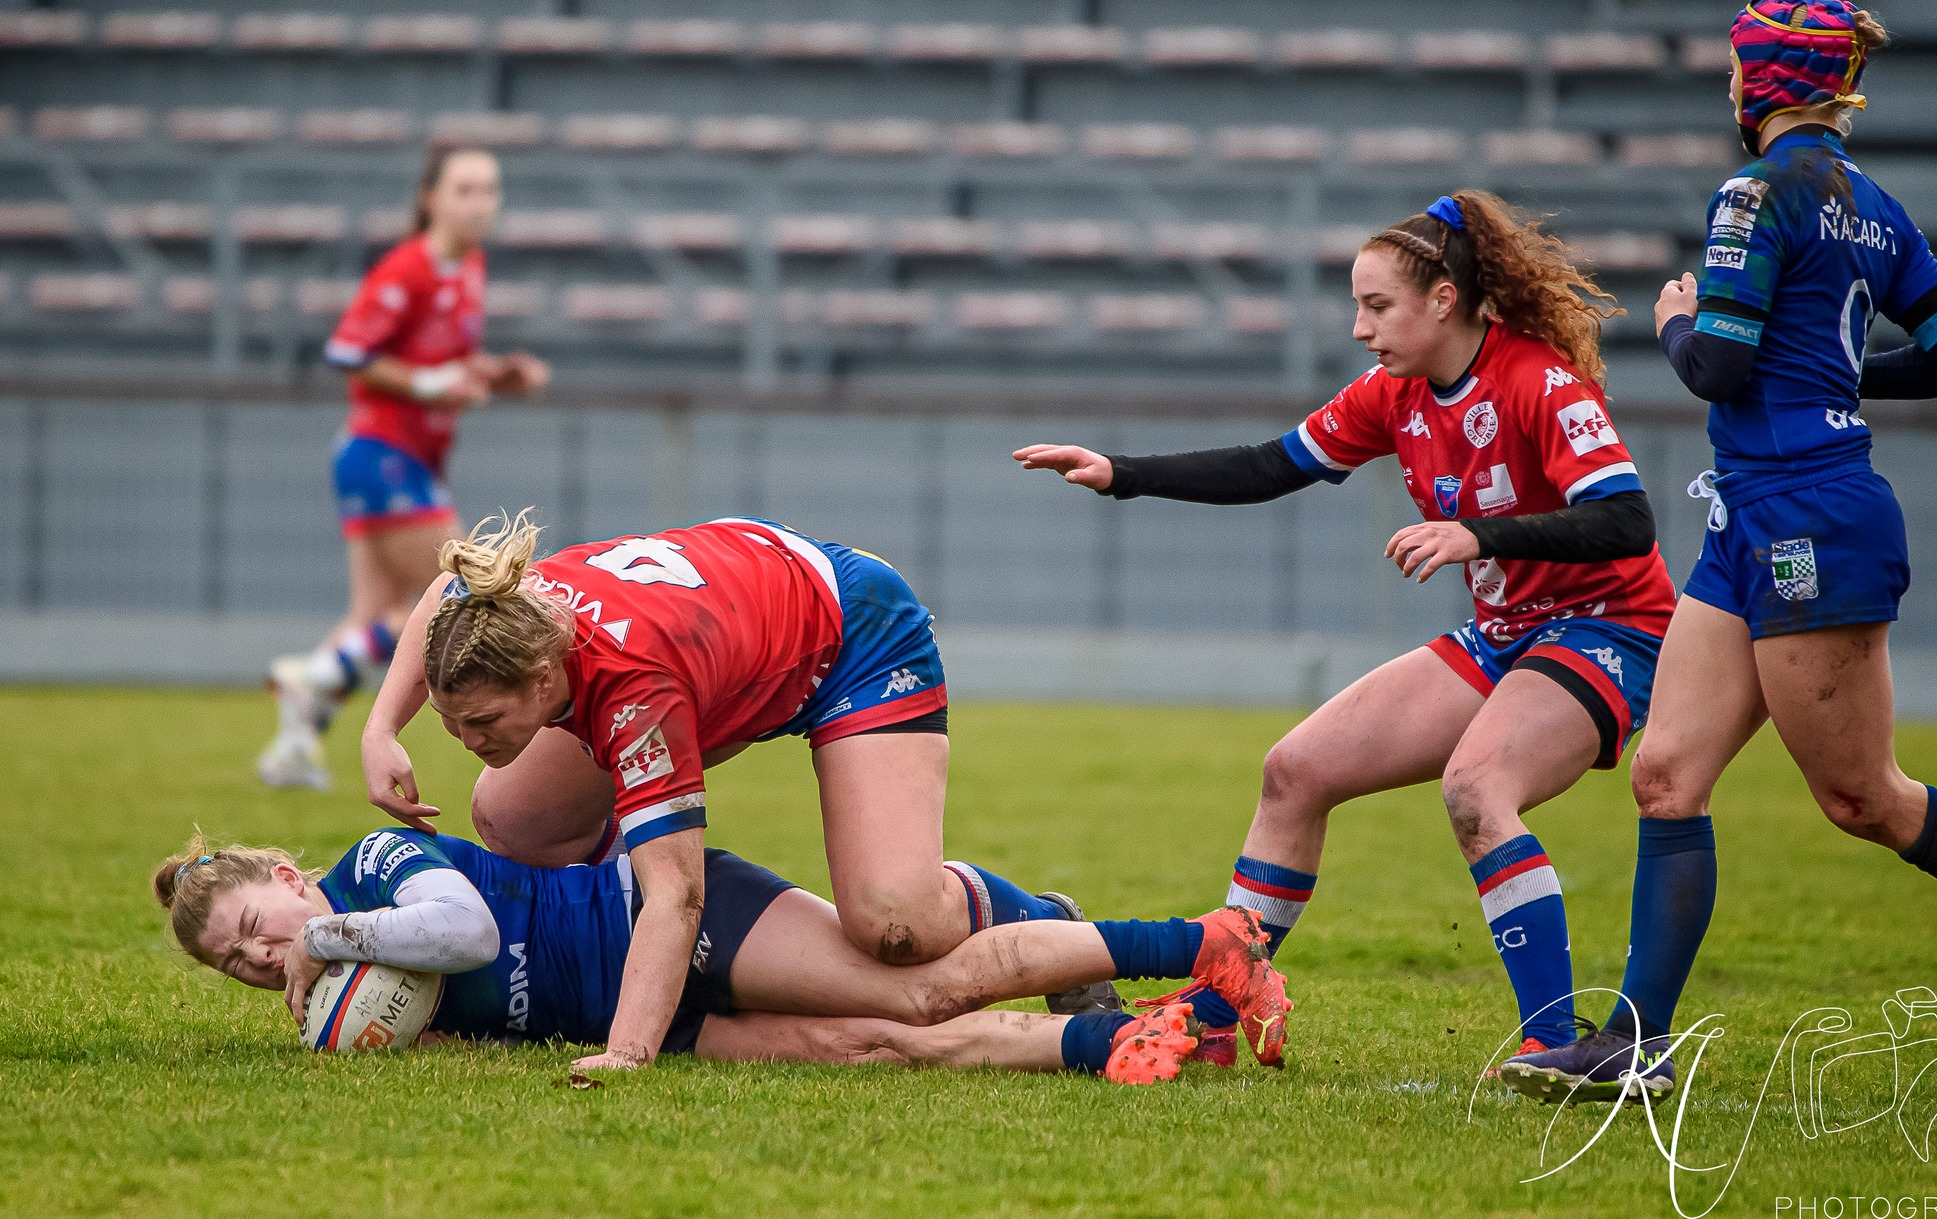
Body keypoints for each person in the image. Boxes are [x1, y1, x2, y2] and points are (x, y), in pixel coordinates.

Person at [1499, 0, 1937, 1105]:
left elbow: (1718, 367)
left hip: (1804, 516)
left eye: (1736, 69)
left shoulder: (1752, 194)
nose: (1730, 88)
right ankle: (1633, 1044)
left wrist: (1667, 321)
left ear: (1760, 82)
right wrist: (1843, 379)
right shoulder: (1872, 204)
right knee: (1664, 773)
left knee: (1865, 799)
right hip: (1754, 511)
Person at [1014, 190, 1675, 1068]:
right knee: (1297, 769)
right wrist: (1120, 472)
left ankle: (1559, 1043)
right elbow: (1268, 466)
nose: (1360, 328)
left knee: (1477, 788)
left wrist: (1479, 535)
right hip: (1509, 632)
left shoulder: (1539, 382)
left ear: (1443, 299)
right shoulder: (1391, 393)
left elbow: (1629, 520)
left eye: (1376, 306)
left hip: (1610, 628)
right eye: (1357, 306)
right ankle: (1214, 1016)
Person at [358, 513, 1166, 1072]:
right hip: (735, 629)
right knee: (510, 810)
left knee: (897, 922)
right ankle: (623, 953)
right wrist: (381, 727)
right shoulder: (503, 604)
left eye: (481, 718)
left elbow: (676, 891)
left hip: (852, 634)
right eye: (450, 718)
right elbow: (441, 596)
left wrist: (631, 1048)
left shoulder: (636, 692)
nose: (464, 739)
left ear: (542, 678)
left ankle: (1051, 922)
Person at [150, 828, 1293, 1085]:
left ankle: (1204, 942)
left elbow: (470, 934)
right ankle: (1122, 1041)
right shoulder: (336, 986)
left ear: (290, 879)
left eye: (254, 924)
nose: (260, 957)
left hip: (668, 916)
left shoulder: (371, 864)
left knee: (926, 983)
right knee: (873, 1042)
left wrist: (320, 936)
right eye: (232, 964)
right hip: (637, 1013)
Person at [257, 145, 550, 791]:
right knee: (466, 586)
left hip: (395, 456)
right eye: (465, 188)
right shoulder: (409, 267)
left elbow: (449, 364)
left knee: (376, 611)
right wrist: (431, 384)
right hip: (384, 454)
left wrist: (496, 377)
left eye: (490, 189)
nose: (481, 202)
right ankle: (317, 676)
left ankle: (296, 737)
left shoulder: (468, 267)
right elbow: (349, 350)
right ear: (430, 198)